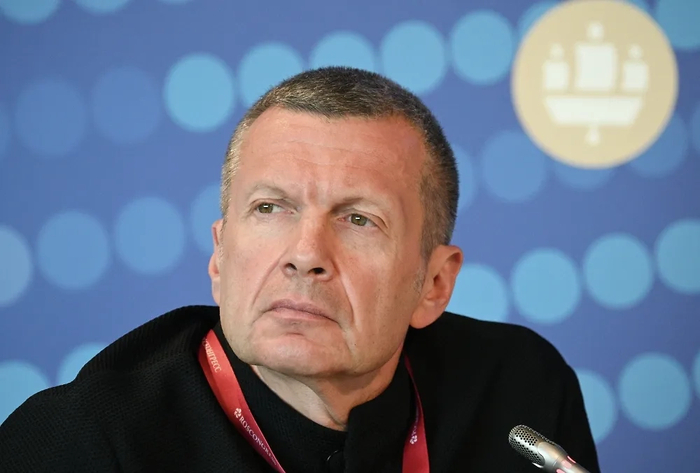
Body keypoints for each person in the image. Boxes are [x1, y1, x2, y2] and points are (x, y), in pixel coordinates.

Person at [0, 67, 600, 473]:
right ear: (220, 255)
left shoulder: (520, 390)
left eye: (359, 219)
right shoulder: (78, 444)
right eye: (270, 208)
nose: (305, 254)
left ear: (434, 284)